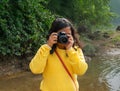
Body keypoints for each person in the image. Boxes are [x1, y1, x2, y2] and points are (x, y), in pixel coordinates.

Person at [29, 18, 88, 91]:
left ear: (72, 36)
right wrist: (48, 46)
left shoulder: (76, 50)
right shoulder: (46, 50)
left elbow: (81, 71)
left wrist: (70, 50)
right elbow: (35, 69)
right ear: (53, 34)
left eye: (68, 34)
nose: (64, 37)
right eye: (61, 34)